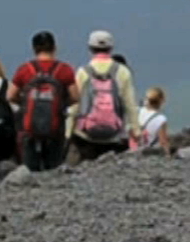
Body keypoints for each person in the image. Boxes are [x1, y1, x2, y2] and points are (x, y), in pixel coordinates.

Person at [9, 31, 78, 172]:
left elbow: (10, 95)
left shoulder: (24, 70)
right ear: (54, 48)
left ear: (34, 49)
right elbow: (76, 97)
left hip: (29, 127)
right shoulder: (64, 70)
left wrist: (24, 105)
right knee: (54, 168)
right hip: (55, 126)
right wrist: (62, 105)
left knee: (30, 170)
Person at [69, 30, 139, 165]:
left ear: (90, 48)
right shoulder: (122, 71)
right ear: (111, 48)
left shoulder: (83, 72)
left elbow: (75, 105)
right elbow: (130, 104)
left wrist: (68, 131)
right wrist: (135, 130)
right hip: (115, 134)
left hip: (86, 135)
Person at [131, 86, 173, 155]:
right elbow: (163, 142)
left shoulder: (137, 111)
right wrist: (168, 156)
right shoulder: (161, 119)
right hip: (147, 152)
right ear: (162, 101)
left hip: (133, 149)